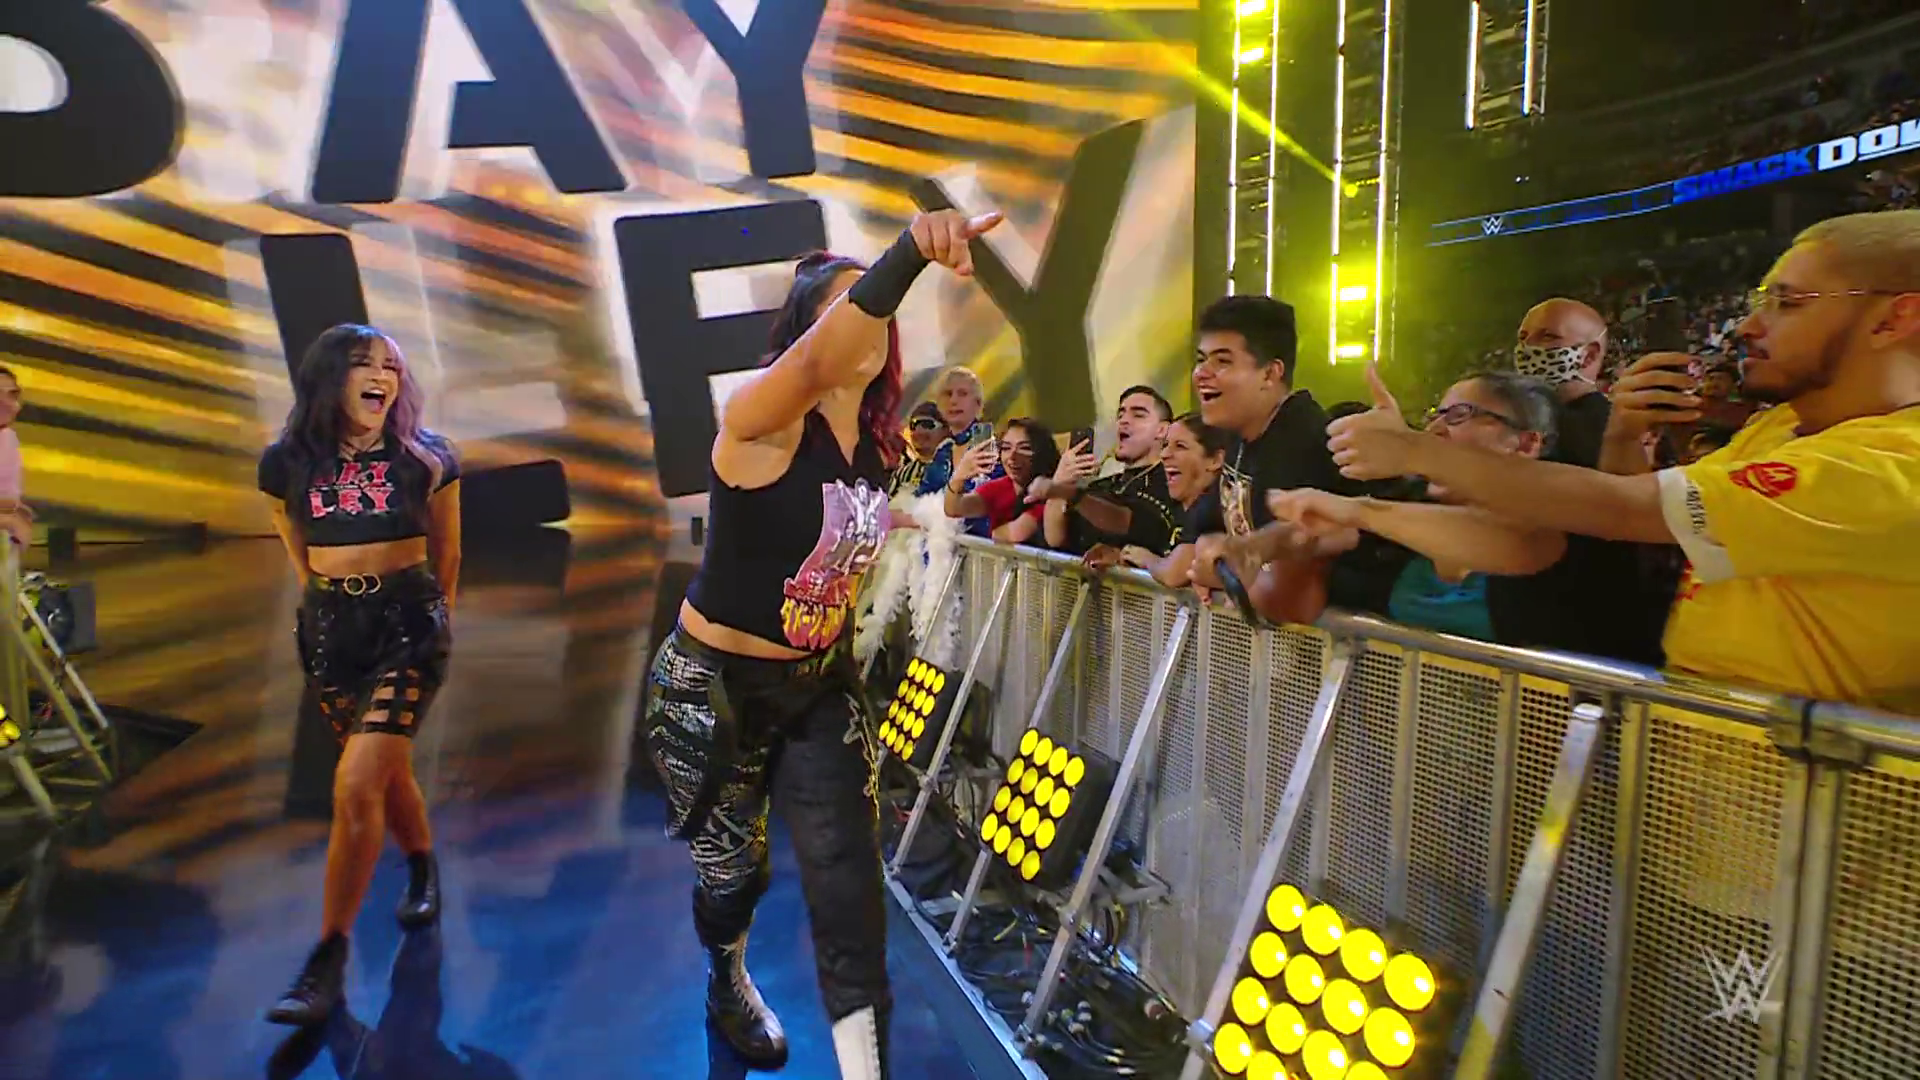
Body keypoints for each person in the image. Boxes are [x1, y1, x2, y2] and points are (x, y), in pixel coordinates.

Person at [645, 208, 1000, 1079]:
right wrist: (909, 252)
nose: (870, 321)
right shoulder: (760, 416)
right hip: (717, 688)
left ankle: (864, 1069)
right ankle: (726, 979)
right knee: (734, 878)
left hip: (819, 686)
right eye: (849, 305)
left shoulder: (877, 450)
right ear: (811, 328)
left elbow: (880, 528)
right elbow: (810, 365)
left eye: (876, 308)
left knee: (849, 888)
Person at [1325, 210, 1920, 710]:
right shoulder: (1783, 427)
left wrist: (1415, 450)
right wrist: (1625, 436)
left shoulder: (1894, 464)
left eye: (1787, 303)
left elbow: (1624, 510)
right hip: (1709, 772)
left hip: (1803, 795)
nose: (1746, 326)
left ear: (1895, 318)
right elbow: (1648, 536)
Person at [257, 325, 461, 1026]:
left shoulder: (429, 456)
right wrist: (331, 604)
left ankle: (327, 958)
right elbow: (298, 551)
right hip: (330, 634)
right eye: (363, 365)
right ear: (328, 377)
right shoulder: (285, 461)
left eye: (391, 367)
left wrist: (434, 625)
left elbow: (447, 555)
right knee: (384, 773)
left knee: (353, 784)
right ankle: (424, 865)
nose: (382, 377)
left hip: (408, 628)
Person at [1272, 373, 1576, 646]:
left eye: (1459, 415)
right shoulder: (1395, 529)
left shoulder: (1563, 543)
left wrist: (1362, 507)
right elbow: (1294, 604)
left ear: (1526, 444)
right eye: (1435, 415)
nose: (1433, 430)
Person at [1179, 295, 1357, 624]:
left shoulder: (1304, 441)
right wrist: (1211, 562)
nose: (1202, 373)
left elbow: (1293, 593)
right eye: (1201, 360)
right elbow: (1200, 541)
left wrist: (1225, 576)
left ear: (1270, 373)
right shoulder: (1240, 435)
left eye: (1222, 361)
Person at [1088, 411, 1229, 584]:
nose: (1164, 455)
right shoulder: (1175, 509)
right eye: (1165, 445)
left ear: (1215, 460)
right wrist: (1123, 557)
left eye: (1180, 446)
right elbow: (1166, 558)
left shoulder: (1216, 508)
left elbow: (1174, 574)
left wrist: (1148, 560)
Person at [1037, 385, 1181, 556]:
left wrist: (1069, 494)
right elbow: (1055, 538)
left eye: (1138, 415)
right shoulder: (1101, 485)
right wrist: (1060, 482)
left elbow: (1129, 522)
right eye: (1120, 415)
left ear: (1162, 430)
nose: (1124, 420)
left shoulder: (1172, 483)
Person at [1513, 298, 1614, 468]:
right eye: (1522, 338)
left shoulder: (1611, 432)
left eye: (1547, 336)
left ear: (1589, 355)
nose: (1526, 347)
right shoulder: (1522, 417)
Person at [943, 417, 1058, 545]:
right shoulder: (1002, 486)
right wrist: (959, 476)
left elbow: (1014, 533)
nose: (1012, 457)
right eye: (1006, 448)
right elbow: (954, 509)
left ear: (1041, 452)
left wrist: (997, 532)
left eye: (1024, 448)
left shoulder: (1052, 490)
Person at [0, 367, 32, 549]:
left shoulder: (8, 439)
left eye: (11, 395)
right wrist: (8, 520)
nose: (5, 403)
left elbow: (10, 498)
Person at [888, 401, 945, 498]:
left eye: (927, 424)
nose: (918, 432)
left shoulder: (956, 469)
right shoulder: (901, 475)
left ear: (945, 430)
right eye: (913, 425)